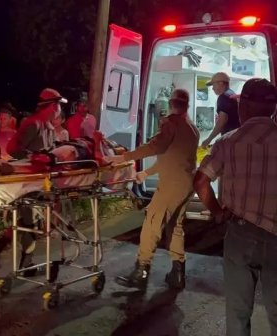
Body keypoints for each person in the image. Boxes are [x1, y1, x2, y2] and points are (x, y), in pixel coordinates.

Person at [193, 78, 277, 336]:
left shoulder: (228, 142)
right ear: (273, 108)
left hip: (240, 234)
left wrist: (218, 212)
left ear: (246, 108)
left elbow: (200, 180)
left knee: (238, 313)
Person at [106, 89, 199, 291]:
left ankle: (141, 271)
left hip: (171, 184)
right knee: (175, 226)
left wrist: (124, 157)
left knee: (152, 223)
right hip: (186, 184)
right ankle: (178, 274)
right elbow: (173, 157)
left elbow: (155, 147)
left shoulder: (171, 123)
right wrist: (147, 173)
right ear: (187, 105)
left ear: (171, 104)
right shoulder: (192, 128)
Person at [0, 88, 67, 270]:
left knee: (27, 221)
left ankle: (8, 251)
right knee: (28, 221)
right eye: (57, 105)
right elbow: (12, 148)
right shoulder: (33, 124)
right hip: (27, 181)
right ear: (50, 106)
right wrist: (34, 156)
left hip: (40, 180)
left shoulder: (47, 125)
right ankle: (24, 262)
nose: (58, 109)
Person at [201, 72, 239, 147]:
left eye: (213, 84)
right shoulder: (232, 94)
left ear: (221, 83)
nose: (212, 88)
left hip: (229, 140)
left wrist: (209, 139)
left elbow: (222, 121)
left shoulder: (223, 97)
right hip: (236, 138)